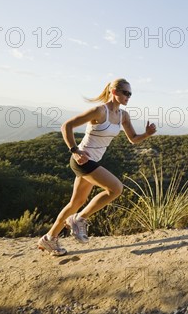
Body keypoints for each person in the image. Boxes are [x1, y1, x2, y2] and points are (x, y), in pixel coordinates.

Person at [37, 78, 157, 256]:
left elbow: (133, 138)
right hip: (82, 160)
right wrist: (75, 151)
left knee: (75, 203)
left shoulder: (123, 115)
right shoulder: (99, 111)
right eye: (126, 93)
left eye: (130, 94)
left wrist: (146, 134)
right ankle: (79, 219)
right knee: (116, 188)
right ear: (114, 92)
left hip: (93, 162)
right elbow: (66, 126)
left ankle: (48, 239)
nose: (128, 97)